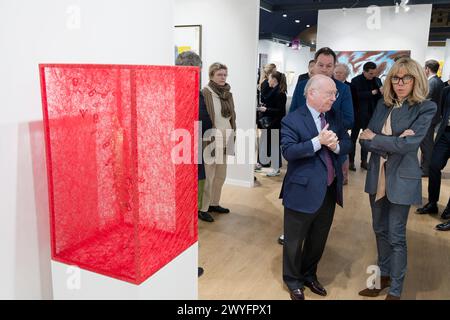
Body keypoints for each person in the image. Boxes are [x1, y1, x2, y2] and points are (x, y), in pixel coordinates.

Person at [358, 57, 436, 300]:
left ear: (416, 80)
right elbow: (363, 139)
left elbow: (409, 145)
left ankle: (395, 290)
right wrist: (396, 141)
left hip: (401, 178)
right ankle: (383, 277)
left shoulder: (426, 107)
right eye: (395, 78)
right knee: (379, 229)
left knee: (396, 235)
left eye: (406, 78)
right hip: (376, 175)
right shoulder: (383, 104)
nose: (400, 83)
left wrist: (378, 139)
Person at [280, 74, 351, 300]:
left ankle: (310, 275)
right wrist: (317, 142)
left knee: (318, 240)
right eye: (329, 93)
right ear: (312, 93)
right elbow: (288, 151)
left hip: (329, 191)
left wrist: (337, 145)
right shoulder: (292, 119)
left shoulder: (334, 117)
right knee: (294, 241)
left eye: (335, 94)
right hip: (301, 191)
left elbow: (347, 141)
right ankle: (293, 281)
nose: (334, 98)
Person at [279, 47, 354, 246]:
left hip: (330, 150)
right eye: (321, 64)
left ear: (334, 66)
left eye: (329, 66)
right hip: (305, 153)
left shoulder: (343, 89)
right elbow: (295, 114)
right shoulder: (303, 85)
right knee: (298, 199)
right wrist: (313, 137)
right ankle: (294, 234)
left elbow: (348, 120)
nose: (324, 68)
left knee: (322, 212)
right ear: (314, 64)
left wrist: (330, 136)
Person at [175, 51, 213, 275]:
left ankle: (183, 261)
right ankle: (185, 265)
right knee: (186, 216)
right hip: (185, 160)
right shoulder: (187, 92)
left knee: (185, 215)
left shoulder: (176, 89)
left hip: (185, 158)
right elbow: (203, 122)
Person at [199, 62, 236, 221]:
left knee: (221, 174)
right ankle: (203, 208)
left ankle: (214, 202)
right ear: (211, 75)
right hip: (211, 138)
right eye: (219, 74)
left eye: (225, 74)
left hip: (226, 137)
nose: (223, 77)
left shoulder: (227, 93)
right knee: (209, 176)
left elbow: (231, 116)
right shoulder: (205, 92)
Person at [416, 85, 450, 230]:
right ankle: (432, 203)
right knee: (433, 166)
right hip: (446, 133)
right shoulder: (447, 90)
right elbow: (443, 110)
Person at [350, 62, 383, 170]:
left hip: (371, 115)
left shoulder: (377, 80)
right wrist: (370, 93)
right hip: (357, 114)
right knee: (353, 139)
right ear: (364, 71)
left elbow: (379, 97)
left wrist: (382, 93)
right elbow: (354, 97)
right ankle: (351, 162)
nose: (372, 75)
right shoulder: (355, 81)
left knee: (366, 139)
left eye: (374, 73)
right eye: (370, 73)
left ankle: (364, 161)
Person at [256, 71, 287, 177]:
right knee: (268, 144)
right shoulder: (274, 91)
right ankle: (264, 163)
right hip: (271, 123)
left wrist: (266, 109)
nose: (268, 81)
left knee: (274, 146)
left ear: (274, 80)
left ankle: (276, 168)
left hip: (275, 123)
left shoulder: (280, 93)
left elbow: (280, 111)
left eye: (269, 78)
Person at [334, 63, 360, 183]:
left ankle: (344, 175)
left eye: (341, 73)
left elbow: (354, 105)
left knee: (344, 145)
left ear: (346, 75)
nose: (337, 75)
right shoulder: (329, 86)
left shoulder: (349, 87)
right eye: (336, 72)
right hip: (332, 124)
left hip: (345, 121)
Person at [420, 59, 444, 177]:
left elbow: (424, 99)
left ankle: (425, 170)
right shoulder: (439, 81)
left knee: (426, 144)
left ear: (427, 69)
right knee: (427, 143)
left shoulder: (432, 82)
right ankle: (425, 167)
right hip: (434, 117)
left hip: (429, 118)